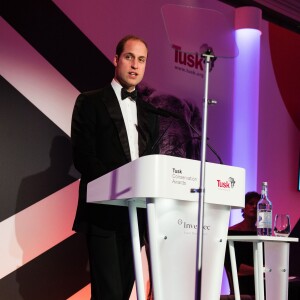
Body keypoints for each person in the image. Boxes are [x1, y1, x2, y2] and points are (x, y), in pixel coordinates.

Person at [71, 35, 159, 300]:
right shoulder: (90, 102)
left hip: (136, 217)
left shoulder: (151, 112)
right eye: (129, 57)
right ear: (116, 59)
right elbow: (84, 157)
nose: (135, 65)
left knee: (122, 293)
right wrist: (121, 185)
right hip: (104, 213)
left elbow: (151, 163)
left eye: (141, 60)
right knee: (107, 294)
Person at [225, 191, 261, 296]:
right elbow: (235, 268)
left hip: (261, 281)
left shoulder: (262, 234)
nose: (254, 206)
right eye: (251, 203)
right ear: (243, 208)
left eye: (258, 204)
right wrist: (262, 270)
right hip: (242, 284)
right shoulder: (230, 233)